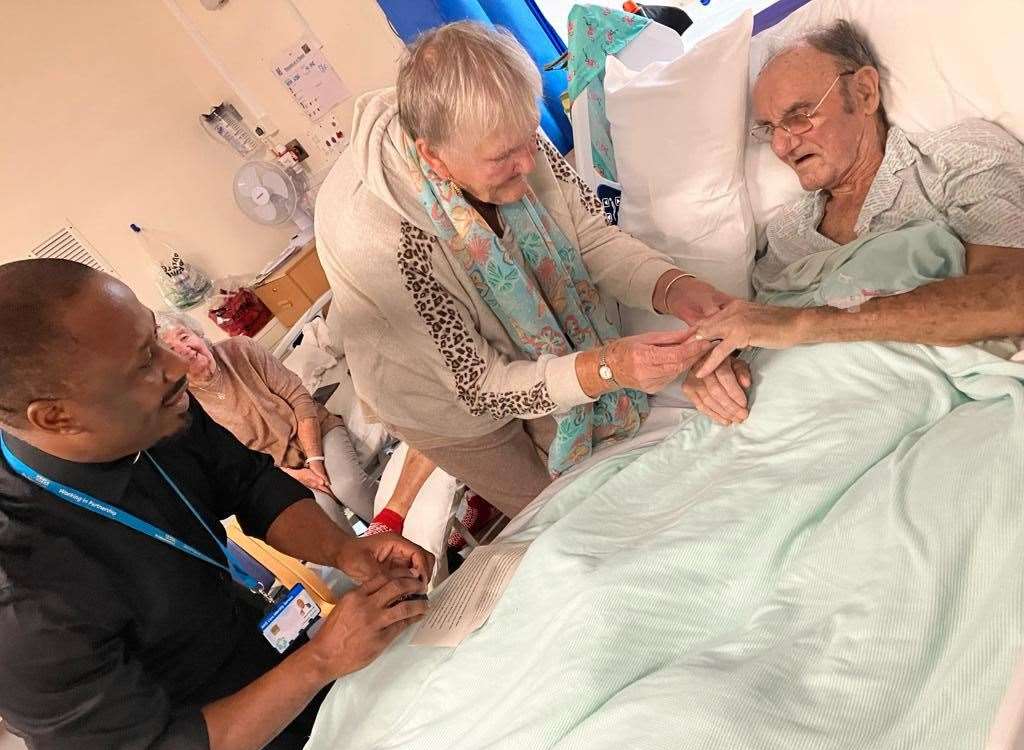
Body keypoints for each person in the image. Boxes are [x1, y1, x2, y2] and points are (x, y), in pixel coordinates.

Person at [0, 259, 433, 750]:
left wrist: (343, 549)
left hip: (268, 655)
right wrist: (323, 659)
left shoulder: (156, 409)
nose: (176, 366)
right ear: (57, 417)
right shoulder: (21, 597)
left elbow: (249, 482)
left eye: (156, 337)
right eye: (144, 362)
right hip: (212, 740)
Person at [315, 21, 729, 516]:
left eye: (528, 138)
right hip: (445, 398)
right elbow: (481, 388)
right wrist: (606, 368)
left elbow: (590, 238)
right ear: (435, 157)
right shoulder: (382, 244)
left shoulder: (502, 131)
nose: (528, 164)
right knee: (557, 512)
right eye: (504, 157)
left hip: (495, 356)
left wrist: (674, 287)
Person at [683, 19, 1024, 426]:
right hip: (787, 418)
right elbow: (757, 331)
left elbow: (1011, 297)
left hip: (903, 411)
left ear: (864, 92)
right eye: (770, 129)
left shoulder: (957, 162)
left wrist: (804, 324)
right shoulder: (787, 236)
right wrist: (714, 368)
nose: (780, 145)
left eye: (799, 116)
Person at [157, 314, 436, 532]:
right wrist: (298, 475)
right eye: (172, 349)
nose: (185, 349)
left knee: (348, 485)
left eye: (185, 336)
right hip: (278, 468)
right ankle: (379, 576)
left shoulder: (240, 349)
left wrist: (315, 461)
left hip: (316, 432)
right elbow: (241, 463)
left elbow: (299, 397)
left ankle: (415, 539)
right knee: (323, 512)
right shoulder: (188, 407)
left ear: (200, 335)